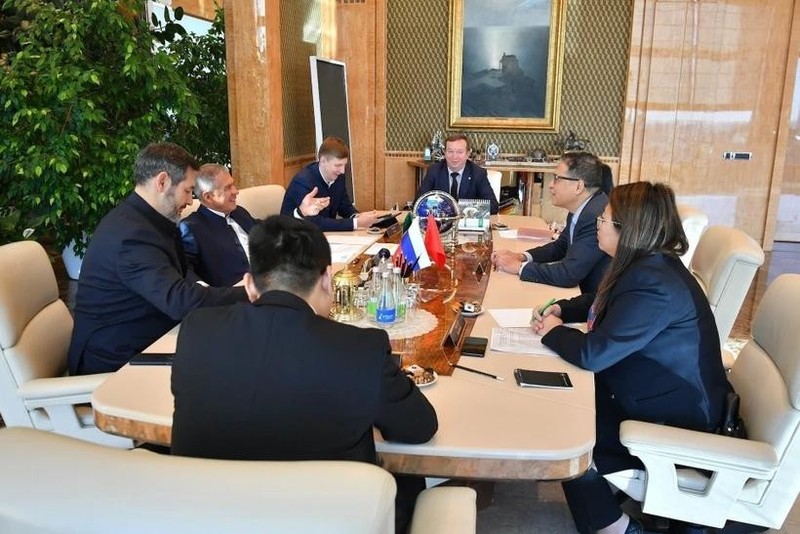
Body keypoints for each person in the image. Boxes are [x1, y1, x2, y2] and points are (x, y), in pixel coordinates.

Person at [171, 214, 438, 532]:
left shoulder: (197, 331)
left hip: (212, 520)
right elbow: (419, 427)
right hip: (329, 521)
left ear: (249, 284)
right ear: (327, 279)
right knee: (412, 485)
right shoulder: (359, 348)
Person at [531, 181, 732, 534]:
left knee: (564, 430)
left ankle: (620, 528)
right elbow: (600, 300)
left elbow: (594, 354)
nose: (598, 224)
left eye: (604, 220)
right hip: (652, 388)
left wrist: (551, 332)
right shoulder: (646, 265)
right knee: (559, 404)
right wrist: (562, 307)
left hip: (674, 416)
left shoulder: (653, 284)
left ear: (629, 229)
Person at [67, 143, 249, 375]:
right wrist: (252, 293)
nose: (191, 202)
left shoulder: (148, 220)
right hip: (117, 363)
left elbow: (181, 277)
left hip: (153, 337)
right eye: (187, 190)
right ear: (162, 182)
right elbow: (179, 300)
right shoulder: (130, 236)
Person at [179, 164, 330, 286]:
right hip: (239, 297)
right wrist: (205, 291)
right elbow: (184, 269)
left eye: (233, 185)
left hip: (275, 280)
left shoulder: (238, 212)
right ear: (208, 197)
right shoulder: (193, 228)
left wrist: (301, 212)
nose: (236, 191)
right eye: (228, 188)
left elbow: (271, 229)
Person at [491, 151, 611, 293]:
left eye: (557, 178)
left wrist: (519, 267)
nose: (550, 185)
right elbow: (560, 247)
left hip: (592, 301)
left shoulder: (595, 215)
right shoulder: (583, 207)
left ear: (578, 186)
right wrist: (522, 257)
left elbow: (569, 274)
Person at [280, 136, 380, 231]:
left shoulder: (339, 176)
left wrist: (357, 216)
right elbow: (314, 222)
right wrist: (356, 223)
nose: (342, 171)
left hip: (325, 237)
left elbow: (344, 205)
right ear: (323, 161)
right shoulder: (303, 182)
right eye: (338, 165)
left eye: (344, 165)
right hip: (295, 239)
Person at [417, 133, 500, 214]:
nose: (454, 156)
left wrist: (462, 209)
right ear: (444, 153)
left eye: (459, 152)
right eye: (450, 151)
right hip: (441, 223)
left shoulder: (478, 174)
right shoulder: (434, 171)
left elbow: (493, 206)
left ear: (467, 154)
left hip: (468, 224)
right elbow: (418, 202)